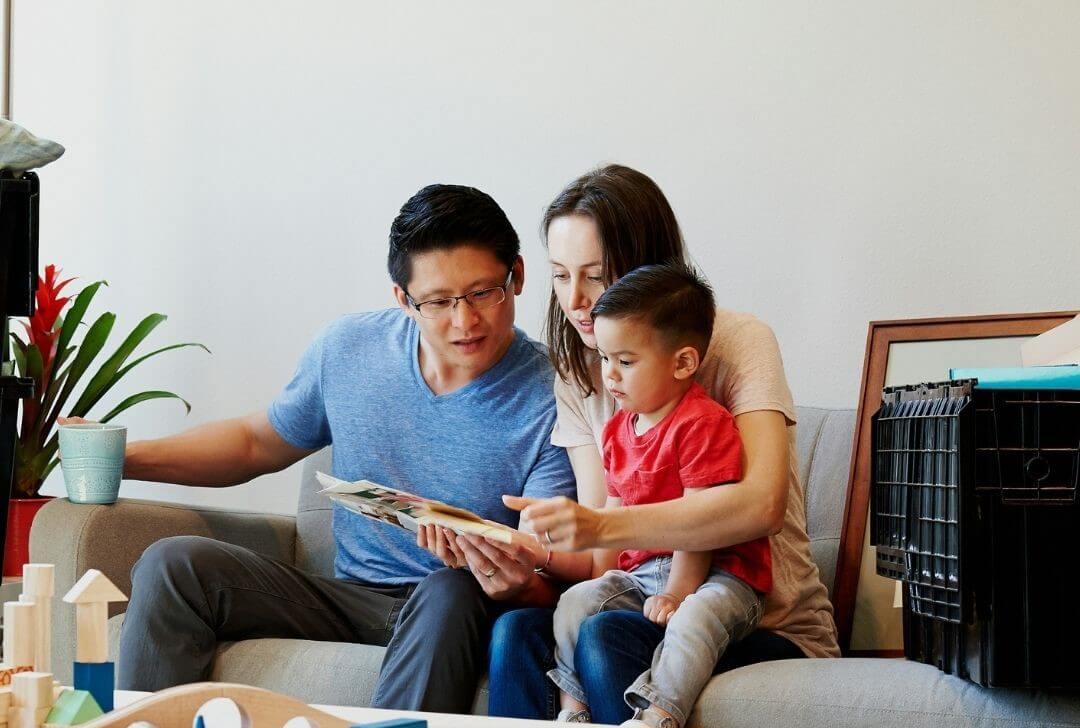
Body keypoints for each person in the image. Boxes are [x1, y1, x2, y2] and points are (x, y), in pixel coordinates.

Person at [103, 183, 577, 713]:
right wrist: (119, 459)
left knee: (450, 588)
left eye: (484, 292)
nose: (465, 321)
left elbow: (549, 565)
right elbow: (255, 442)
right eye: (438, 302)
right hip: (348, 598)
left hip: (459, 605)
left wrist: (517, 585)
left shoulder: (556, 393)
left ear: (517, 275)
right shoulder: (350, 349)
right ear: (402, 298)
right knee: (174, 563)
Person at [486, 165, 839, 725]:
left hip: (760, 620)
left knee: (603, 636)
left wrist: (602, 524)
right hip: (645, 598)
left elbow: (760, 505)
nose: (575, 301)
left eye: (595, 276)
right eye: (559, 275)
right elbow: (607, 555)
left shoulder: (737, 343)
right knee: (515, 633)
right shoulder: (583, 374)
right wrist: (532, 557)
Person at [549, 263, 772, 728]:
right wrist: (598, 577)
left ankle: (660, 714)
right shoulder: (616, 430)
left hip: (720, 576)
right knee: (576, 602)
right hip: (645, 573)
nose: (610, 375)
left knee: (693, 618)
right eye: (605, 359)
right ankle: (575, 711)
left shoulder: (702, 423)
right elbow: (612, 512)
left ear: (683, 363)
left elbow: (697, 527)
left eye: (625, 361)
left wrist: (676, 593)